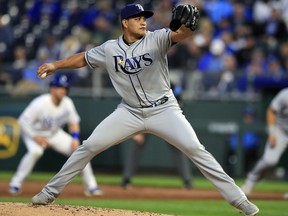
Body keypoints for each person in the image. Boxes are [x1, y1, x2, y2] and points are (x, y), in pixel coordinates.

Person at [32, 3, 259, 215]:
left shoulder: (157, 38)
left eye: (144, 18)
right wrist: (55, 65)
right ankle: (50, 192)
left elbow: (180, 34)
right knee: (88, 146)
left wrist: (189, 27)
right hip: (129, 112)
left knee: (196, 149)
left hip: (164, 109)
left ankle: (239, 200)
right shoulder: (110, 49)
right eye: (137, 18)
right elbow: (83, 58)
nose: (143, 22)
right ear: (125, 23)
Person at [9, 74, 102, 197]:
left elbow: (73, 123)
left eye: (64, 88)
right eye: (59, 87)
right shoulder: (40, 103)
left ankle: (91, 187)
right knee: (35, 152)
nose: (62, 90)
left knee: (81, 150)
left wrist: (74, 138)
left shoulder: (67, 102)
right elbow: (22, 121)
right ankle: (15, 183)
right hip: (34, 133)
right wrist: (34, 136)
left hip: (54, 134)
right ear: (51, 89)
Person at [121, 83, 193, 189]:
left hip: (167, 119)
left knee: (177, 147)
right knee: (138, 145)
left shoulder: (170, 83)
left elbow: (180, 104)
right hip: (148, 117)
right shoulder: (144, 83)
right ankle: (126, 179)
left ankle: (187, 181)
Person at [242, 87, 288, 195]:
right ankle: (250, 181)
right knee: (270, 160)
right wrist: (272, 133)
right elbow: (271, 111)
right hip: (280, 131)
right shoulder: (285, 95)